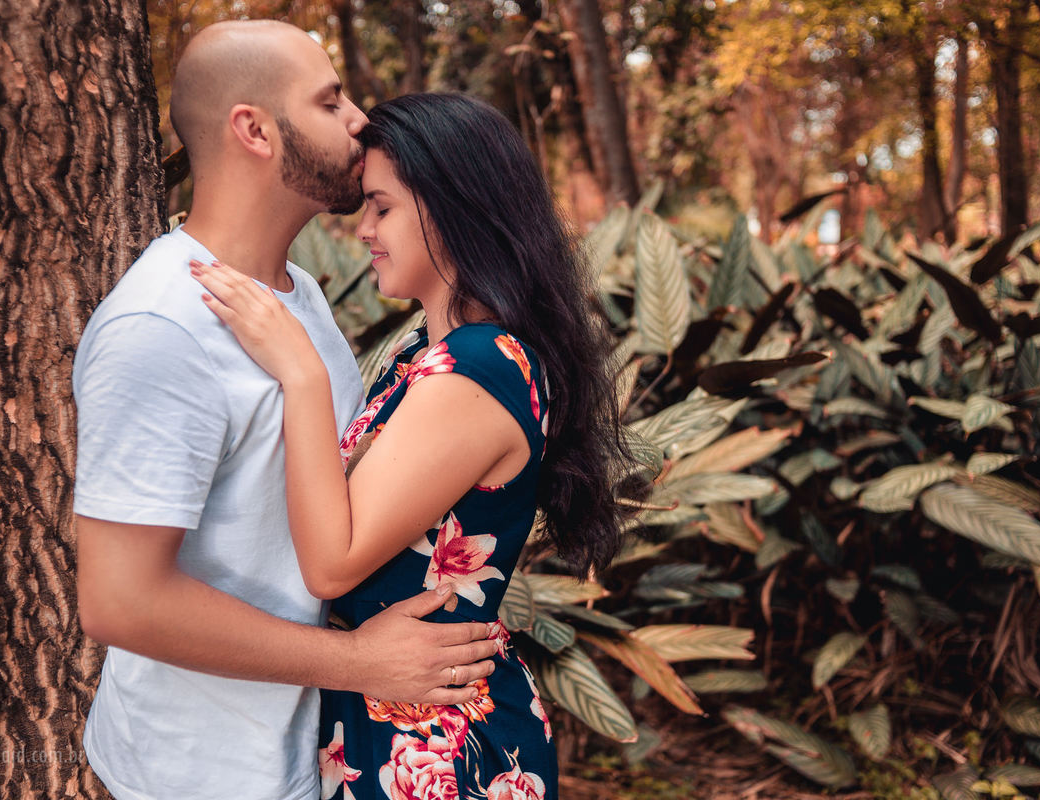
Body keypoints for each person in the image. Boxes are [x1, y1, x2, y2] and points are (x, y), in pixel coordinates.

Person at [72, 23, 499, 800]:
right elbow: (118, 600)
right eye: (331, 101)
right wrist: (359, 663)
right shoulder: (164, 325)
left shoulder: (296, 298)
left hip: (311, 753)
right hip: (201, 773)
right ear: (255, 130)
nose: (359, 119)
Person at [190, 92, 638, 800]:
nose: (363, 229)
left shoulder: (481, 368)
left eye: (382, 206)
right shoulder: (425, 353)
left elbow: (332, 563)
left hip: (435, 743)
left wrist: (300, 370)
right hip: (392, 709)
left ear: (453, 208)